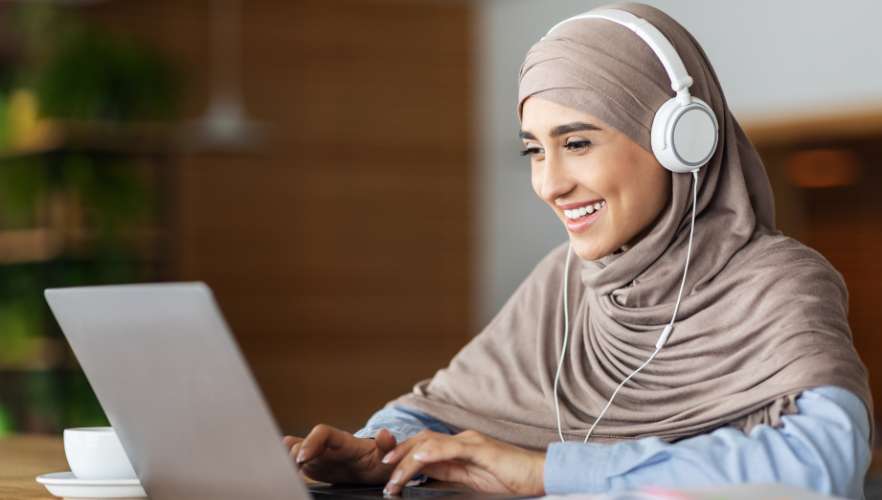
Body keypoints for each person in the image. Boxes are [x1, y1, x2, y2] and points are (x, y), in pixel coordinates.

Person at [282, 2, 874, 498]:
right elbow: (441, 409)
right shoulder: (566, 282)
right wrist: (379, 449)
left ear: (680, 140)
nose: (549, 183)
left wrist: (547, 472)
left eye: (579, 142)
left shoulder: (778, 281)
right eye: (534, 150)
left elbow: (823, 465)